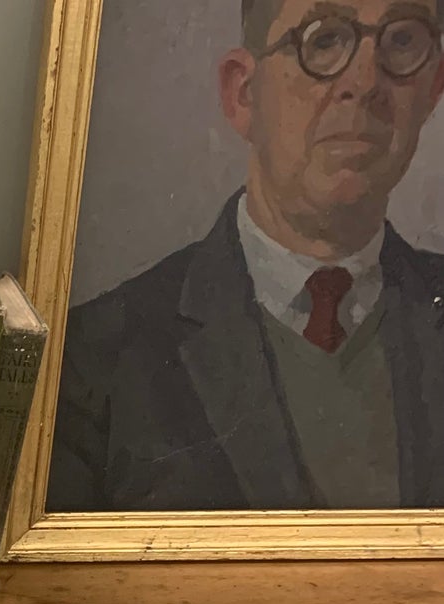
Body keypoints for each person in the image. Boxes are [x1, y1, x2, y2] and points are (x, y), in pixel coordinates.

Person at [50, 0, 444, 512]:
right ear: (243, 94)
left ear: (434, 87)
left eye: (402, 42)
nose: (366, 81)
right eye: (324, 41)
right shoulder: (95, 361)